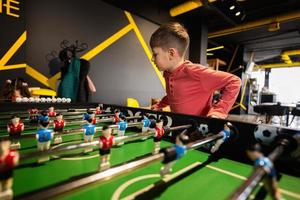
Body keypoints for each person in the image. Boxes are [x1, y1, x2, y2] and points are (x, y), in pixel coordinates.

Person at [150, 22, 241, 119]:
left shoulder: (196, 72)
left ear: (171, 53)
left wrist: (218, 112)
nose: (152, 58)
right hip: (179, 127)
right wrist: (160, 105)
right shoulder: (167, 73)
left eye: (155, 54)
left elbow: (234, 81)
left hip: (198, 131)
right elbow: (174, 95)